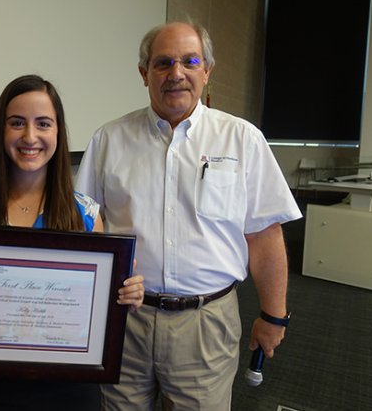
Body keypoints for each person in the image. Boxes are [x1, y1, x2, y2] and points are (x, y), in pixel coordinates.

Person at [75, 22, 302, 411]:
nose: (176, 73)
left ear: (207, 70)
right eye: (163, 63)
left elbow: (264, 236)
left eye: (189, 61)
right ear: (144, 73)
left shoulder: (242, 139)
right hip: (125, 319)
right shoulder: (108, 140)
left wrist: (273, 315)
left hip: (205, 324)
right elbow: (84, 231)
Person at [0, 74, 144, 411]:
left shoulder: (83, 214)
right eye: (16, 123)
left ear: (57, 132)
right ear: (1, 131)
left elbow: (100, 308)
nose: (30, 136)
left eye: (43, 124)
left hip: (67, 388)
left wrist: (124, 295)